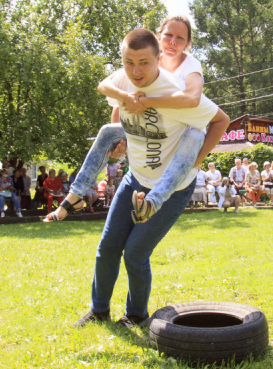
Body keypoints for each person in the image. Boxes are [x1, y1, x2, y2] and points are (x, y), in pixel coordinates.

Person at [72, 27, 228, 329]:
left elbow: (220, 119)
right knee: (107, 248)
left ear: (158, 57)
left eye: (143, 63)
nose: (135, 70)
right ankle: (99, 310)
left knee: (135, 253)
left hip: (169, 189)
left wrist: (194, 162)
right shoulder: (128, 77)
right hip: (135, 178)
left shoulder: (181, 92)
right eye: (129, 62)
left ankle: (136, 315)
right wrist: (120, 135)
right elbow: (113, 98)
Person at [46, 16, 227, 226]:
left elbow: (193, 99)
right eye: (168, 35)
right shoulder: (139, 63)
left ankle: (154, 202)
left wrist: (147, 102)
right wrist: (124, 115)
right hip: (147, 131)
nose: (173, 42)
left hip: (180, 133)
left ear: (187, 45)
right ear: (159, 39)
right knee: (107, 131)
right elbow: (109, 92)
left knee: (196, 133)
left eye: (180, 38)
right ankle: (75, 196)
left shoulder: (188, 68)